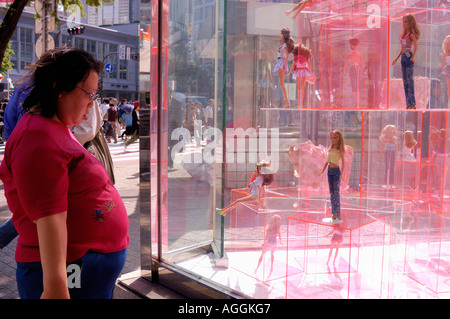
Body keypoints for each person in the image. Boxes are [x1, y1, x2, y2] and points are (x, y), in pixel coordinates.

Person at [0, 47, 129, 299]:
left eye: (96, 95)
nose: (93, 104)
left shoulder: (52, 125)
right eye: (88, 94)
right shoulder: (38, 136)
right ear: (60, 88)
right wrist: (56, 288)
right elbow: (50, 219)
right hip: (73, 266)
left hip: (84, 264)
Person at [392, 13, 421, 109]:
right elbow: (402, 49)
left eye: (406, 22)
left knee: (410, 80)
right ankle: (408, 103)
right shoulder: (403, 35)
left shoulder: (411, 35)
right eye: (403, 22)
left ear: (410, 23)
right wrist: (396, 59)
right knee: (405, 80)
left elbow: (416, 46)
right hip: (403, 57)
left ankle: (412, 103)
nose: (404, 24)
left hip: (409, 57)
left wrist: (413, 57)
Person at [319, 130, 346, 222]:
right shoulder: (330, 149)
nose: (332, 140)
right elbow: (327, 162)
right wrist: (322, 171)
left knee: (336, 193)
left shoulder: (340, 151)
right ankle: (334, 213)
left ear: (338, 139)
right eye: (331, 138)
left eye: (334, 138)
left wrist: (341, 174)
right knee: (331, 193)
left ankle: (337, 213)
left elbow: (343, 163)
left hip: (336, 171)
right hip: (329, 171)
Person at [273, 27, 295, 108]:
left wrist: (284, 65)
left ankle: (287, 102)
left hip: (281, 62)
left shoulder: (284, 45)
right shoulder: (283, 44)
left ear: (282, 35)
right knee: (281, 83)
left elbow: (286, 55)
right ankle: (286, 102)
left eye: (281, 34)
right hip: (280, 62)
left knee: (281, 83)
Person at [341, 37, 366, 108]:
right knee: (354, 85)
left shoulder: (358, 54)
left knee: (358, 85)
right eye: (353, 44)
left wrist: (363, 70)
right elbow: (346, 64)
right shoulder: (351, 55)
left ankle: (357, 102)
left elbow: (362, 63)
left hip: (357, 69)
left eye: (355, 44)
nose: (354, 46)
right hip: (354, 68)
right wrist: (343, 71)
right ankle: (356, 102)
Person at [288, 43, 312, 108]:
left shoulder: (296, 57)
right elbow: (309, 65)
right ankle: (300, 103)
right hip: (303, 72)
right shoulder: (305, 57)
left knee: (299, 88)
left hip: (299, 72)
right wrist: (311, 72)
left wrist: (290, 72)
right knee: (302, 88)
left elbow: (292, 65)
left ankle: (300, 103)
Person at [439, 35, 450, 108]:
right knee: (448, 87)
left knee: (449, 87)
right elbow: (442, 64)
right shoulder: (445, 53)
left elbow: (442, 65)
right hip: (448, 69)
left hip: (447, 69)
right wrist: (442, 71)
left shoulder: (446, 53)